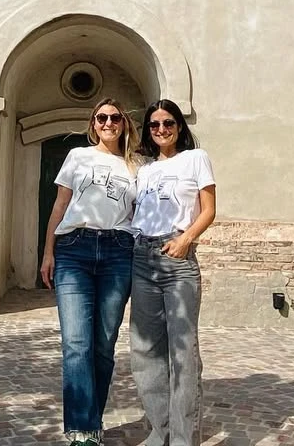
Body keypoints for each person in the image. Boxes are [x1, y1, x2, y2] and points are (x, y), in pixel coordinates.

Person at [41, 97, 140, 446]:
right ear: (93, 123)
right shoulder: (77, 156)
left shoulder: (136, 166)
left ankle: (92, 420)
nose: (108, 122)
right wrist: (48, 251)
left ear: (124, 123)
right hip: (74, 249)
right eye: (102, 118)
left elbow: (144, 216)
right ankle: (82, 430)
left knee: (103, 345)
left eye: (115, 117)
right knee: (76, 343)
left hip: (118, 252)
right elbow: (60, 204)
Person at [129, 99, 217, 446]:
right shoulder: (145, 169)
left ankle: (183, 439)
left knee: (183, 352)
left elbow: (208, 209)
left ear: (179, 126)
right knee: (146, 349)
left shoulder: (196, 159)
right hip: (142, 256)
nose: (162, 129)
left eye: (168, 123)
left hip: (177, 259)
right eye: (155, 125)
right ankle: (159, 430)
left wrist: (187, 239)